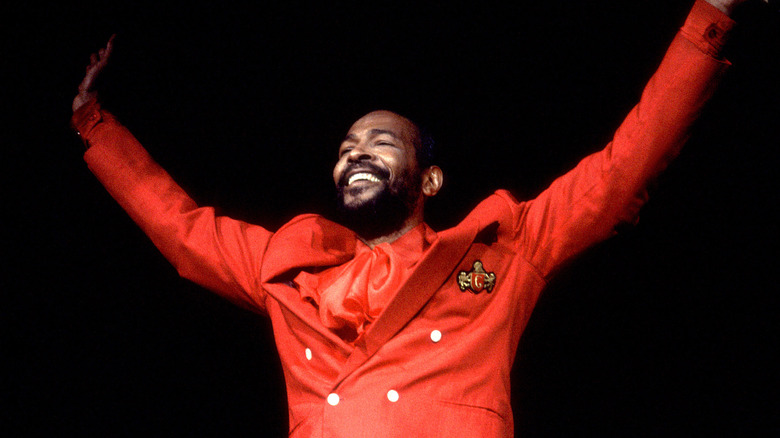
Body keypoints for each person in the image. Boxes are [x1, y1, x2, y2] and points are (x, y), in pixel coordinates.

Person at [71, 0, 752, 436]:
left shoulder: (500, 254)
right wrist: (91, 123)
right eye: (345, 149)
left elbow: (619, 171)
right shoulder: (285, 267)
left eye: (379, 143)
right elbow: (181, 227)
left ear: (428, 179)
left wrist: (709, 17)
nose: (354, 155)